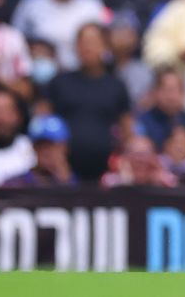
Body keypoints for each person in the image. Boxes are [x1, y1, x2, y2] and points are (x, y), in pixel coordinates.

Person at [48, 23, 130, 181]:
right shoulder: (59, 83)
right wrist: (55, 161)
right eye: (82, 42)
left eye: (92, 42)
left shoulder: (116, 86)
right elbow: (44, 124)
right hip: (63, 172)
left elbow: (126, 129)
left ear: (104, 46)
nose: (87, 48)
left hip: (106, 173)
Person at [5, 114, 77, 187]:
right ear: (33, 148)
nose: (46, 152)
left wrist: (66, 181)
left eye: (52, 145)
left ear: (65, 148)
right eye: (40, 146)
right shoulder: (15, 184)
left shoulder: (77, 184)